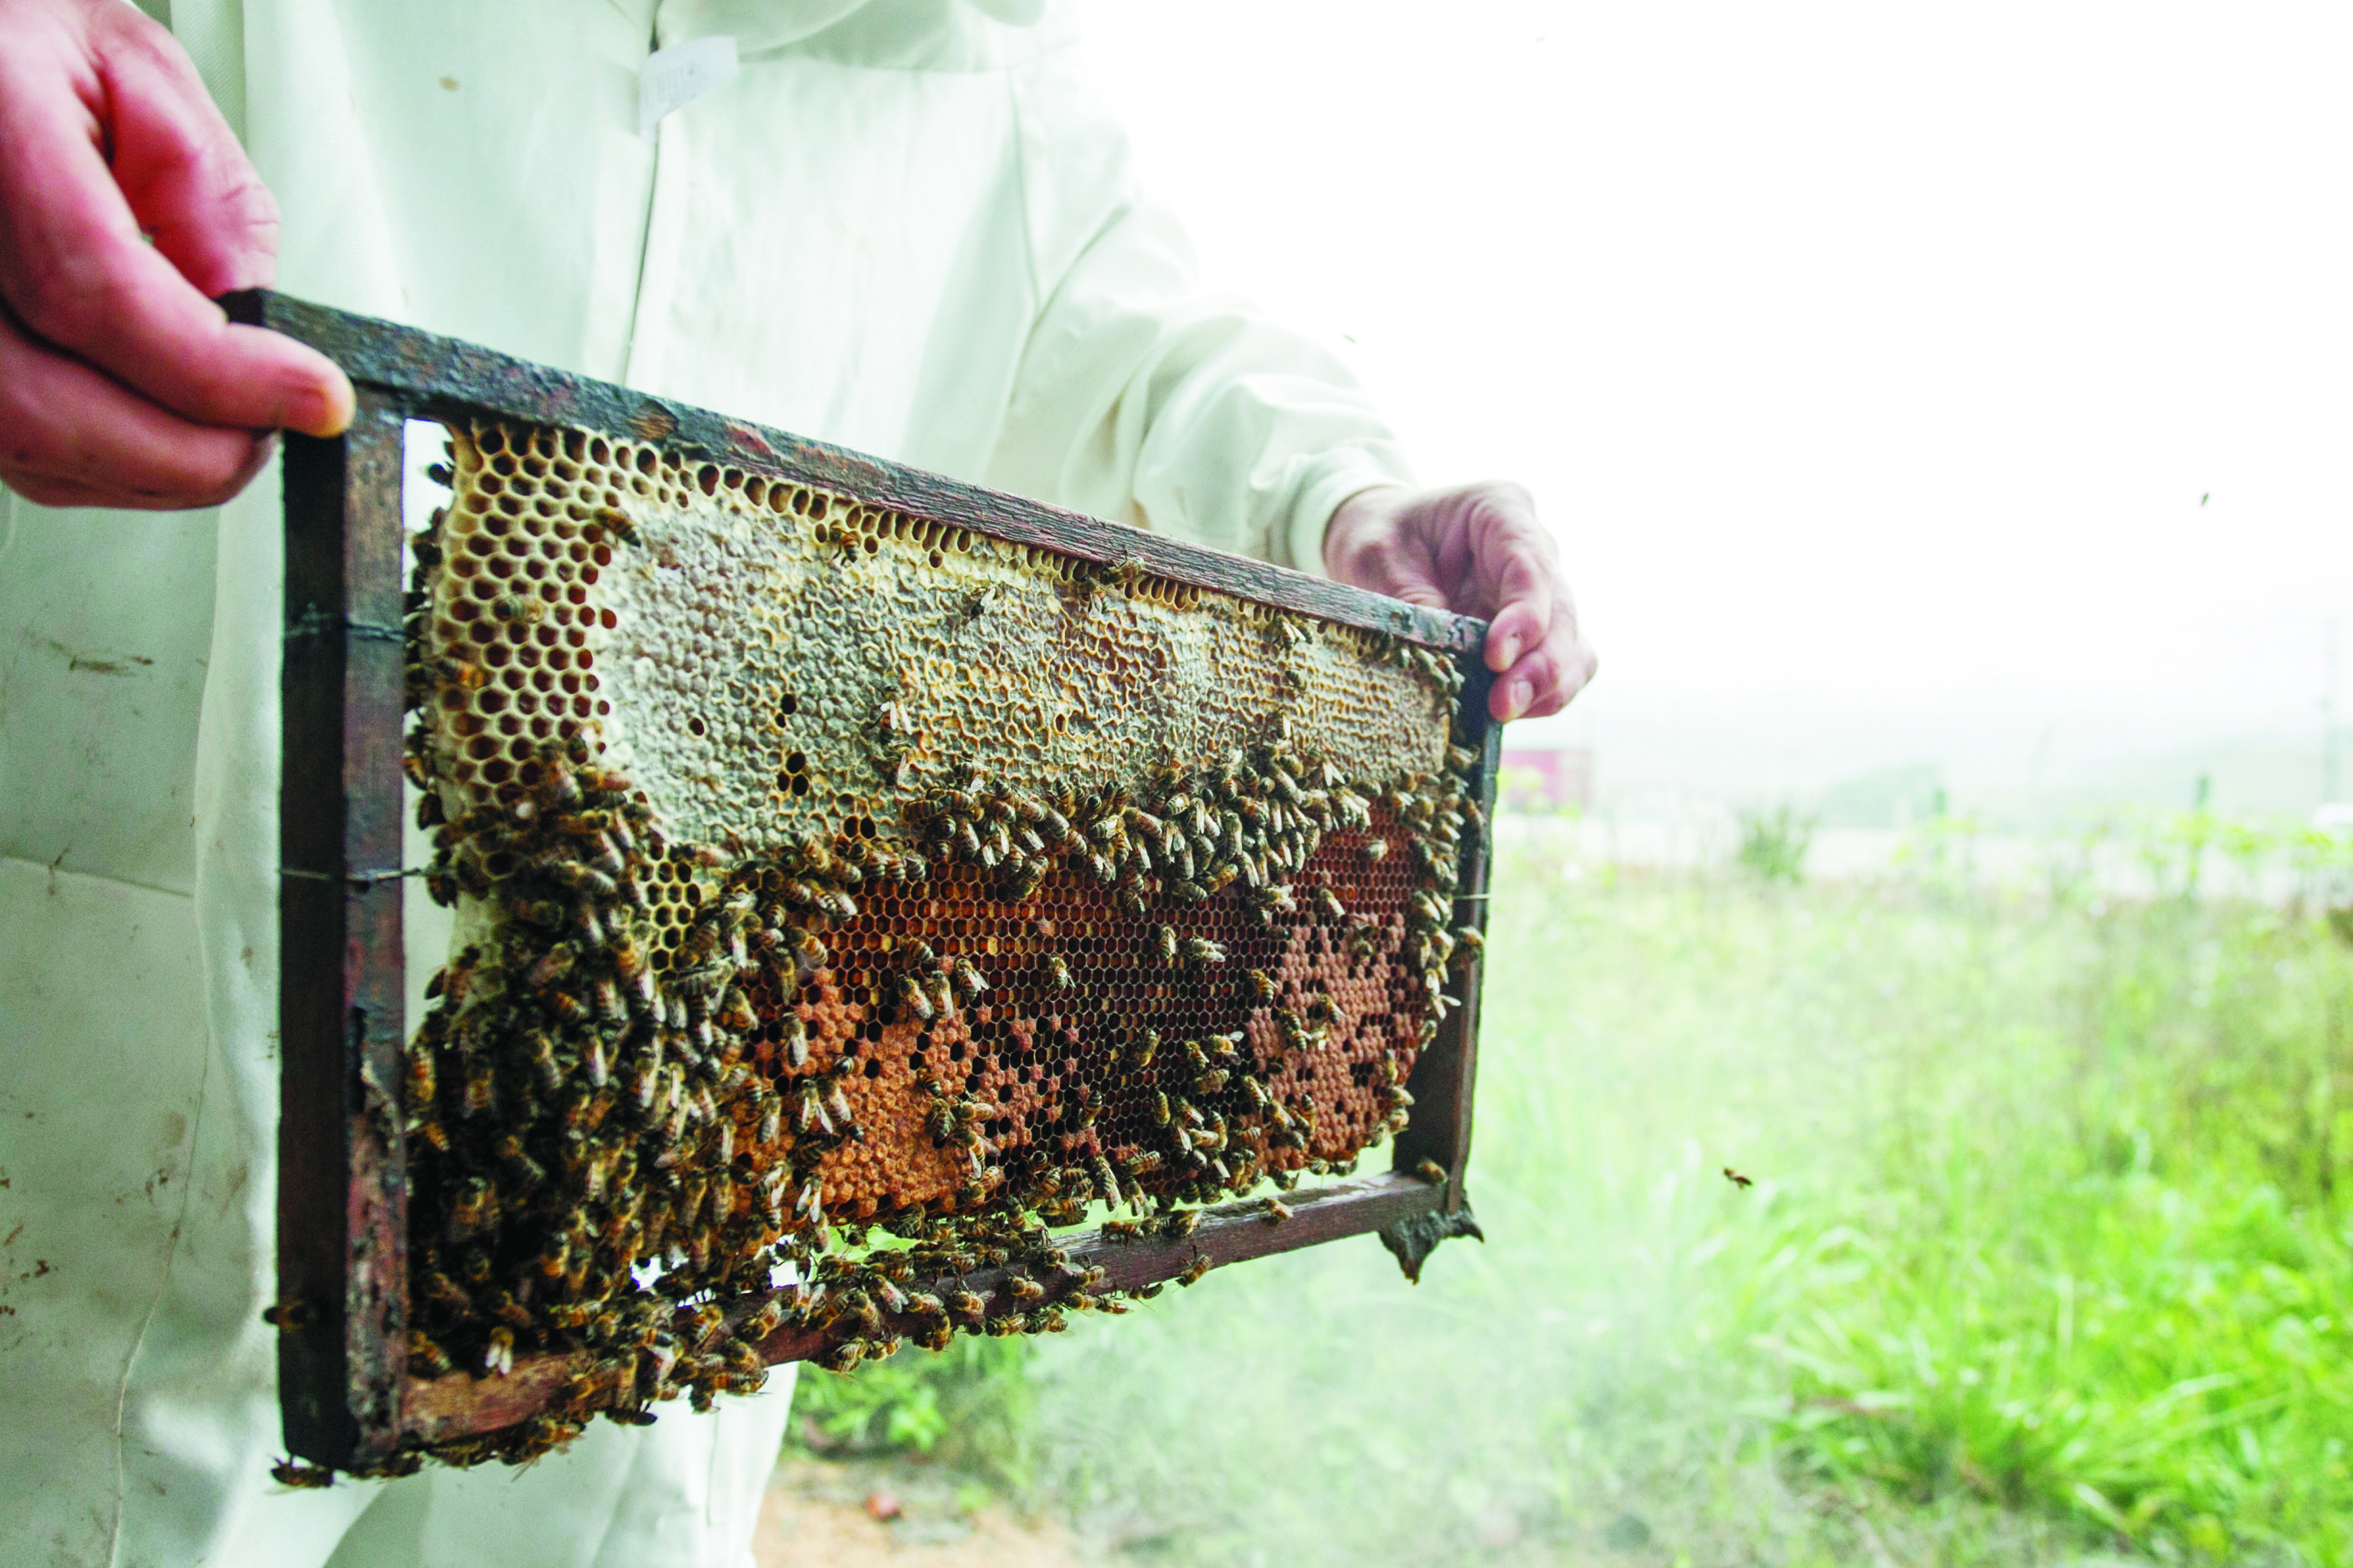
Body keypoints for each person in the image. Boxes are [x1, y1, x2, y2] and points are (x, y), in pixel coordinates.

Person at [0, 1, 1597, 1563]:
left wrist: (1335, 491)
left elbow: (1131, 340)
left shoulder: (993, 56)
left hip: (675, 1165)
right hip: (127, 1094)